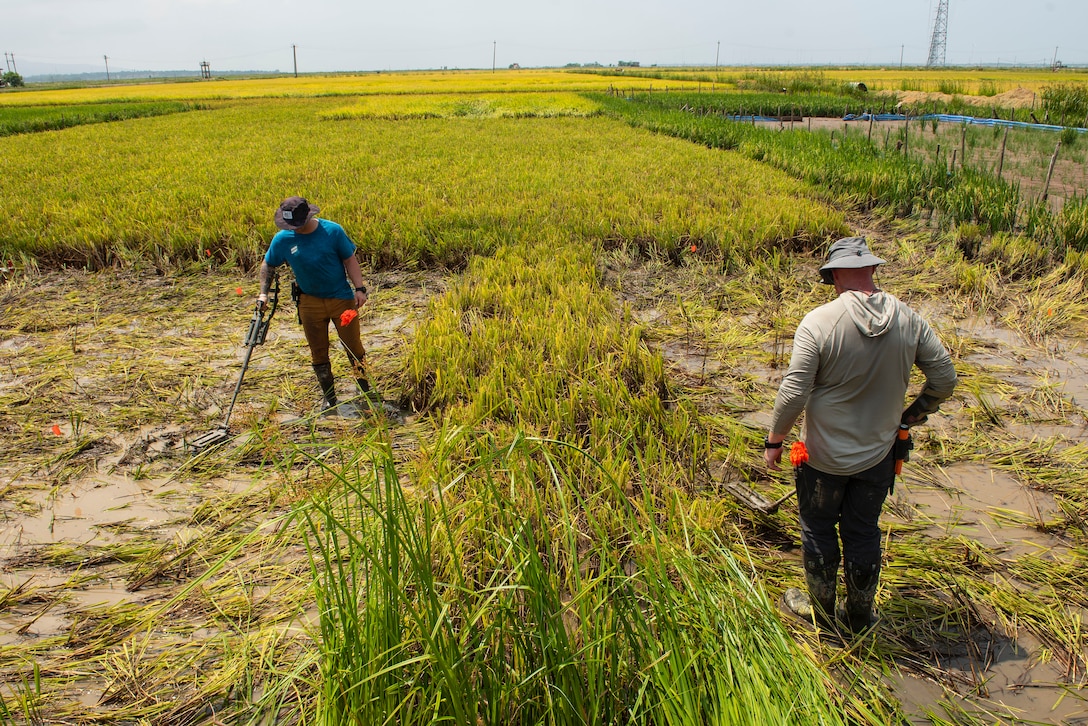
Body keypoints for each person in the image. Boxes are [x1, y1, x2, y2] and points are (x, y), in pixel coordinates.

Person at [764, 236, 957, 632]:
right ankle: (859, 617)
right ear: (872, 269)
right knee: (863, 530)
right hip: (878, 458)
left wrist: (775, 440)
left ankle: (821, 614)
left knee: (818, 528)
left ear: (833, 275)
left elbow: (793, 392)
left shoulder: (819, 322)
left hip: (821, 458)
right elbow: (944, 379)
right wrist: (909, 416)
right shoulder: (910, 320)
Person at [257, 196, 371, 417]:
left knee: (353, 347)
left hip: (341, 299)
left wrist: (360, 289)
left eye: (297, 225)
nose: (294, 229)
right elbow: (268, 264)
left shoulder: (333, 232)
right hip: (309, 301)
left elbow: (350, 260)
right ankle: (330, 400)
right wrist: (264, 294)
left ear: (308, 216)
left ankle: (366, 392)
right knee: (318, 352)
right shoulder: (282, 240)